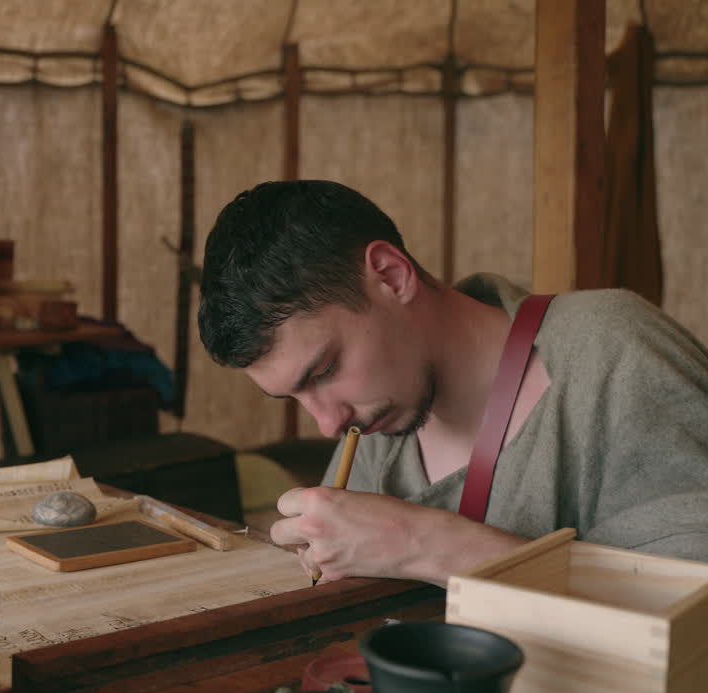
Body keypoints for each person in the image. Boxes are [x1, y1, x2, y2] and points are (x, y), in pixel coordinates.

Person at [197, 180, 708, 586]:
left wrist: (418, 542)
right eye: (294, 398)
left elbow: (691, 605)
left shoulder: (610, 351)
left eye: (326, 370)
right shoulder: (378, 424)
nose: (328, 423)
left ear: (392, 275)